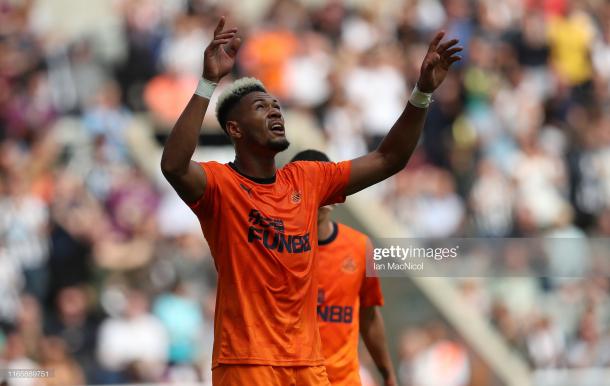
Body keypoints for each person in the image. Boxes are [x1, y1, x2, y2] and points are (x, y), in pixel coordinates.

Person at [160, 16, 461, 386]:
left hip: (308, 366)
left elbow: (389, 158)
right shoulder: (220, 186)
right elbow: (173, 165)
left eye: (276, 105)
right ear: (235, 129)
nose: (274, 110)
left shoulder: (307, 178)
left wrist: (422, 93)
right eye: (260, 107)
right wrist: (208, 83)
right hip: (248, 363)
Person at [291, 149, 397, 386]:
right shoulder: (273, 249)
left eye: (325, 185)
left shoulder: (359, 247)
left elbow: (369, 316)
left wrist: (387, 373)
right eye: (310, 186)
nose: (319, 194)